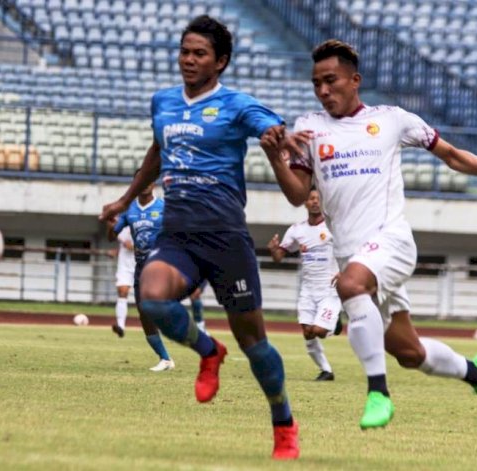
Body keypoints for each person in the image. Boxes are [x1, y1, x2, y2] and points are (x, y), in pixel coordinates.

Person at [260, 39, 477, 430]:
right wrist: (276, 157)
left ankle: (378, 392)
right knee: (409, 352)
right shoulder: (309, 128)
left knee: (351, 284)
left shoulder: (392, 119)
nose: (323, 91)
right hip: (353, 254)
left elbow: (449, 154)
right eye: (316, 84)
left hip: (391, 242)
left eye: (331, 81)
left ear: (354, 80)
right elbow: (296, 194)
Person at [100, 15, 306, 460]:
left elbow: (269, 127)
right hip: (179, 235)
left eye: (199, 54)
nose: (188, 60)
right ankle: (208, 350)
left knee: (256, 345)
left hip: (227, 238)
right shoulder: (163, 103)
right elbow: (157, 153)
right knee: (151, 299)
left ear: (221, 61)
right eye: (184, 51)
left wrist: (279, 138)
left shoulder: (235, 104)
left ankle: (284, 422)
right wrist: (124, 201)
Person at [267, 188, 342, 381]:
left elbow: (352, 248)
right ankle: (326, 370)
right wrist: (274, 250)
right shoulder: (296, 230)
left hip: (329, 289)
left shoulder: (334, 227)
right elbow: (279, 256)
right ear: (305, 203)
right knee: (308, 333)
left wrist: (344, 271)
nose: (315, 201)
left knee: (320, 331)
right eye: (311, 199)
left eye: (318, 198)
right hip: (308, 289)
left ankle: (335, 322)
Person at [107, 178, 175, 372]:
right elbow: (112, 236)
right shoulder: (129, 210)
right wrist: (110, 224)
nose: (144, 183)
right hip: (140, 268)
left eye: (146, 180)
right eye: (140, 181)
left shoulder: (164, 206)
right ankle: (165, 359)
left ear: (153, 184)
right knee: (144, 316)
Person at [111, 226, 135, 338]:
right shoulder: (123, 225)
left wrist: (135, 247)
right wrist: (116, 252)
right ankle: (121, 326)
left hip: (143, 264)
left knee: (149, 297)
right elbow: (119, 240)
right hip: (124, 265)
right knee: (122, 292)